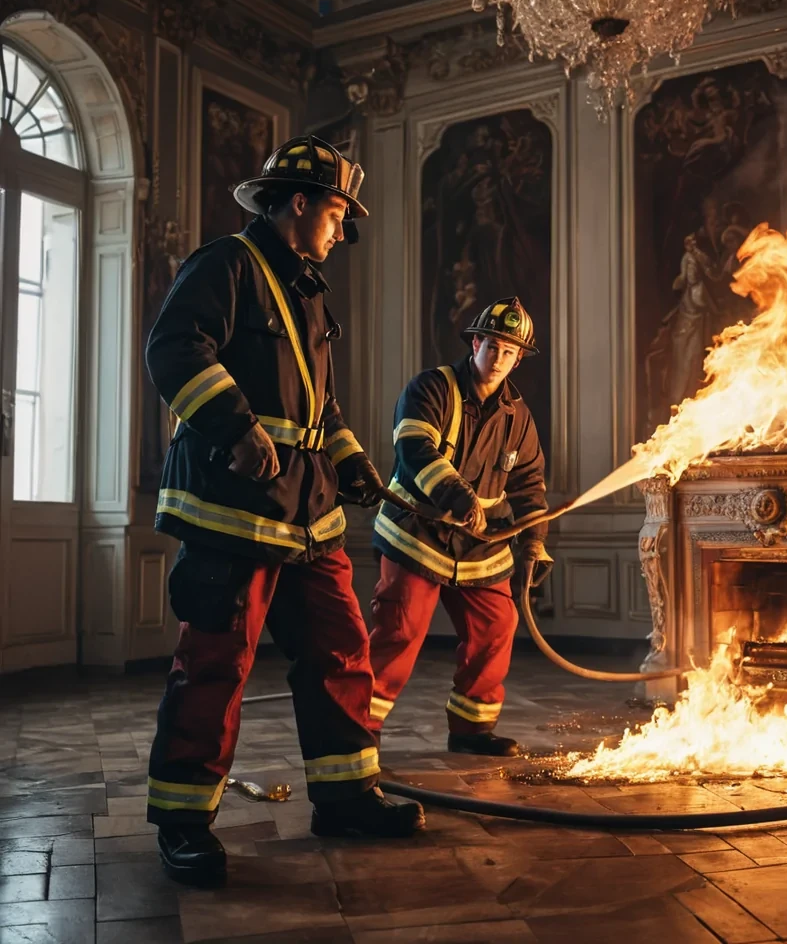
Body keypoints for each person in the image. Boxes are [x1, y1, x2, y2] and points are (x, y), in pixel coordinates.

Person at [145, 135, 424, 889]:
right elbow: (174, 348)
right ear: (297, 202)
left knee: (341, 650)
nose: (344, 228)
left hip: (308, 515)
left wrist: (352, 459)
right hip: (232, 512)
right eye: (337, 211)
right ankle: (182, 821)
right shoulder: (225, 265)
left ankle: (345, 796)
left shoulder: (305, 289)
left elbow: (315, 403)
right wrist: (234, 427)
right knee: (216, 665)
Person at [368, 297, 553, 757]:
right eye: (492, 345)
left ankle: (471, 730)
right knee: (400, 632)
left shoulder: (519, 418)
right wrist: (456, 494)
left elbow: (530, 486)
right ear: (475, 343)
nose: (499, 358)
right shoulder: (430, 388)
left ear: (517, 359)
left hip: (479, 545)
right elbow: (414, 447)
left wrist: (534, 545)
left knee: (497, 626)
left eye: (510, 352)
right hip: (418, 534)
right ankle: (356, 731)